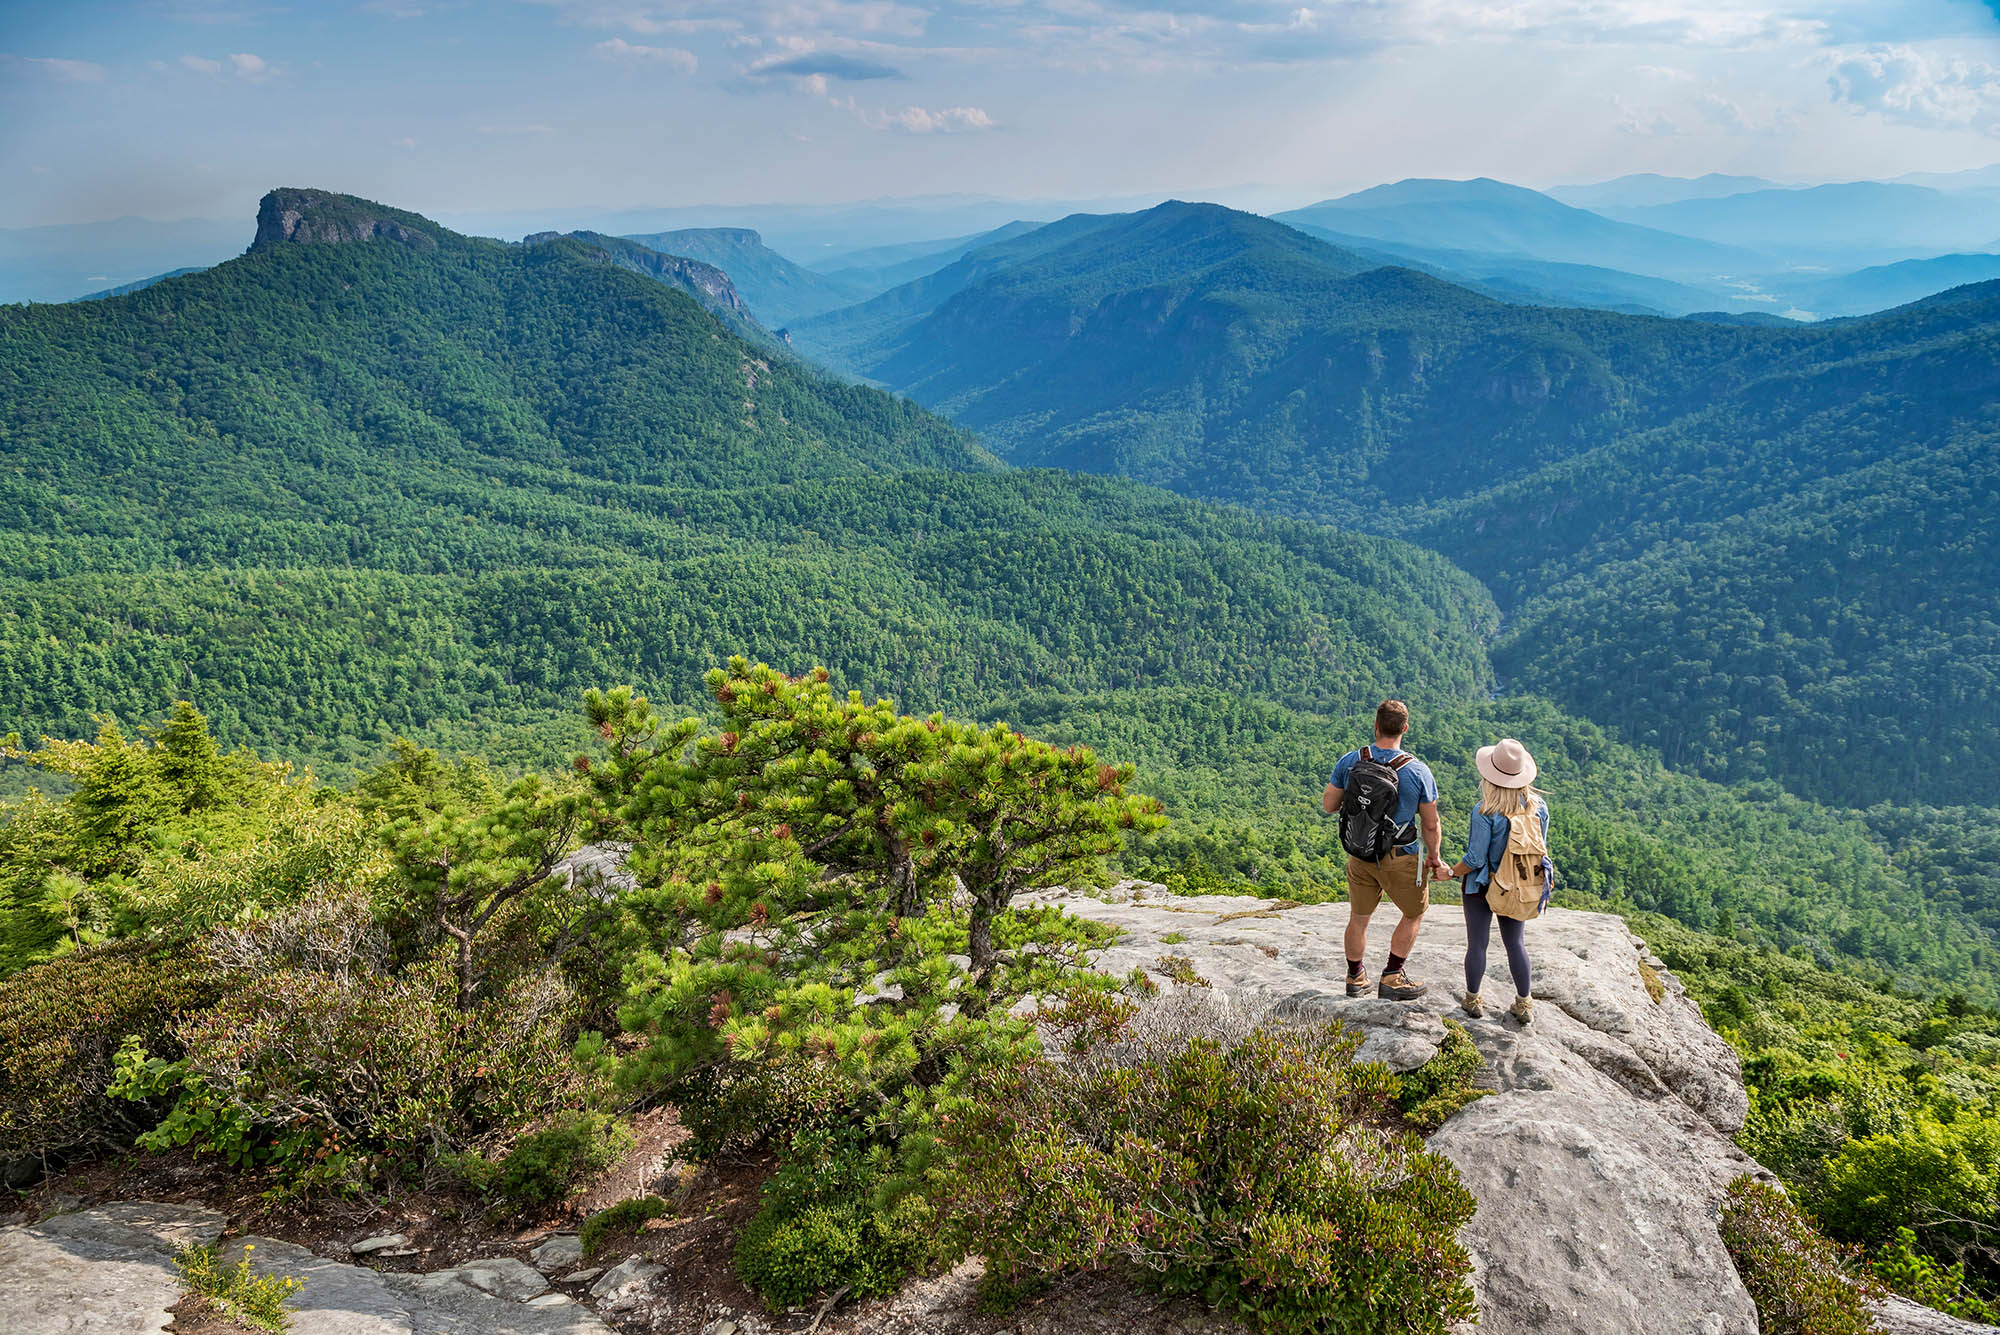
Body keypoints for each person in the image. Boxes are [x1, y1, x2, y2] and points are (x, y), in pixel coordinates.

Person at [1324, 699, 1447, 1001]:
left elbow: (1329, 805)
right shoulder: (1418, 771)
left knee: (1359, 917)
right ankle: (1392, 976)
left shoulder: (1351, 760)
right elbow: (1431, 825)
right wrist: (1434, 857)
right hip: (1401, 858)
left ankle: (1355, 977)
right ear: (1405, 728)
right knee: (1414, 913)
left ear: (1375, 725)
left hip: (1360, 853)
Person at [1442, 737, 1548, 1027]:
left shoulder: (1485, 810)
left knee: (1477, 944)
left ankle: (1474, 1000)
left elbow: (1475, 859)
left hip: (1481, 884)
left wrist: (1450, 872)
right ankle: (1524, 1004)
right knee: (1515, 943)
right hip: (1519, 885)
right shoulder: (1538, 808)